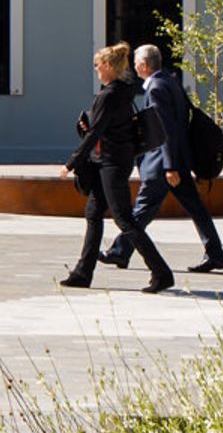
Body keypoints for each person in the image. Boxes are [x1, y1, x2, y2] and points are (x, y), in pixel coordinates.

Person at [58, 42, 173, 294]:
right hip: (110, 160)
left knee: (124, 218)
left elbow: (96, 132)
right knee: (93, 213)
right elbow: (106, 128)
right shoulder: (123, 90)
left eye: (98, 66)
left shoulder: (109, 95)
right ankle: (82, 272)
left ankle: (162, 273)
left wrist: (72, 162)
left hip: (111, 162)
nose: (96, 70)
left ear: (108, 66)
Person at [104, 43, 223, 275]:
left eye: (135, 64)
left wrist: (170, 166)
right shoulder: (170, 81)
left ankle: (119, 251)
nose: (134, 68)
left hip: (164, 164)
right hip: (176, 160)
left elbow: (166, 129)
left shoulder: (156, 88)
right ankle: (216, 254)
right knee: (194, 208)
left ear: (143, 65)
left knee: (143, 208)